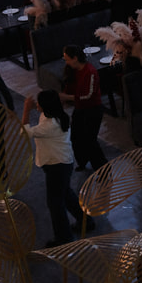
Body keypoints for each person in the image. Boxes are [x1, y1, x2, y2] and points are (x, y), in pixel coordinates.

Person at [23, 90, 91, 247]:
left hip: (57, 166)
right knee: (65, 194)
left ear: (46, 106)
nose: (37, 105)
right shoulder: (57, 116)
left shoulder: (50, 125)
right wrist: (36, 107)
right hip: (62, 162)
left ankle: (64, 238)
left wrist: (26, 110)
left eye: (39, 103)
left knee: (55, 204)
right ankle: (86, 222)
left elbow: (25, 133)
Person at [59, 45, 107, 172]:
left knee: (90, 140)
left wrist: (67, 97)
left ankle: (103, 171)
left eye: (67, 59)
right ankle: (82, 161)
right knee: (76, 137)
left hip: (93, 109)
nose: (66, 62)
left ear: (75, 58)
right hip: (80, 108)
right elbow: (69, 87)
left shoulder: (90, 72)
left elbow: (88, 95)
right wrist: (64, 97)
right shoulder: (72, 70)